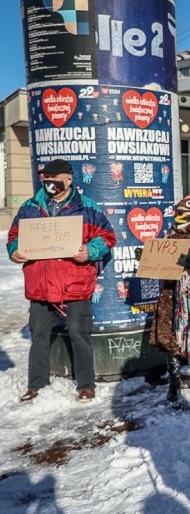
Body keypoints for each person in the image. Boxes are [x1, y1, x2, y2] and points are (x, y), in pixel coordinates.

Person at [7, 159, 116, 403]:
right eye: (46, 180)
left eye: (55, 179)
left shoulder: (88, 208)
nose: (49, 184)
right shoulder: (30, 207)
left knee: (79, 335)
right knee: (39, 336)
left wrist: (90, 250)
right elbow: (14, 236)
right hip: (40, 286)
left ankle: (86, 385)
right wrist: (14, 250)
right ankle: (37, 384)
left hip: (74, 285)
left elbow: (107, 237)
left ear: (68, 179)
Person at [149, 193, 190, 402]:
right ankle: (174, 381)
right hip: (171, 296)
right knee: (171, 340)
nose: (179, 216)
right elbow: (161, 264)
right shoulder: (171, 236)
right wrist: (146, 258)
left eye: (183, 213)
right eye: (178, 212)